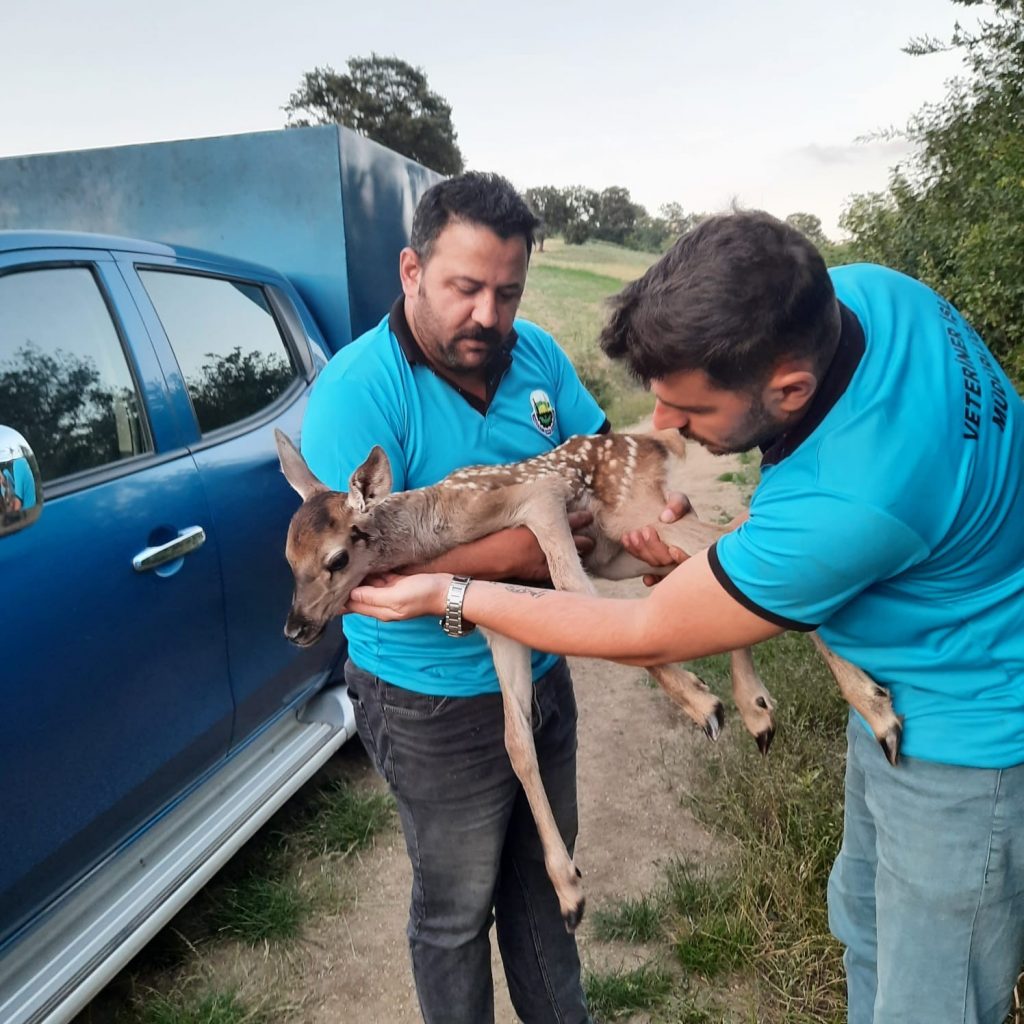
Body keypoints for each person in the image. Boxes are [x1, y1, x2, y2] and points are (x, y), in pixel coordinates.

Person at [347, 210, 1024, 1024]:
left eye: (690, 414)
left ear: (789, 389)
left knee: (930, 1000)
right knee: (869, 929)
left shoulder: (851, 498)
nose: (661, 428)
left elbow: (642, 633)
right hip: (906, 689)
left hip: (969, 739)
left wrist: (447, 594)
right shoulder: (868, 298)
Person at [301, 172, 617, 1024]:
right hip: (430, 702)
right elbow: (374, 582)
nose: (488, 316)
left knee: (546, 898)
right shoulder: (356, 397)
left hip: (539, 669)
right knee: (453, 915)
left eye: (507, 292)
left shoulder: (539, 356)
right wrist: (532, 548)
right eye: (465, 288)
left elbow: (597, 467)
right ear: (410, 271)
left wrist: (560, 534)